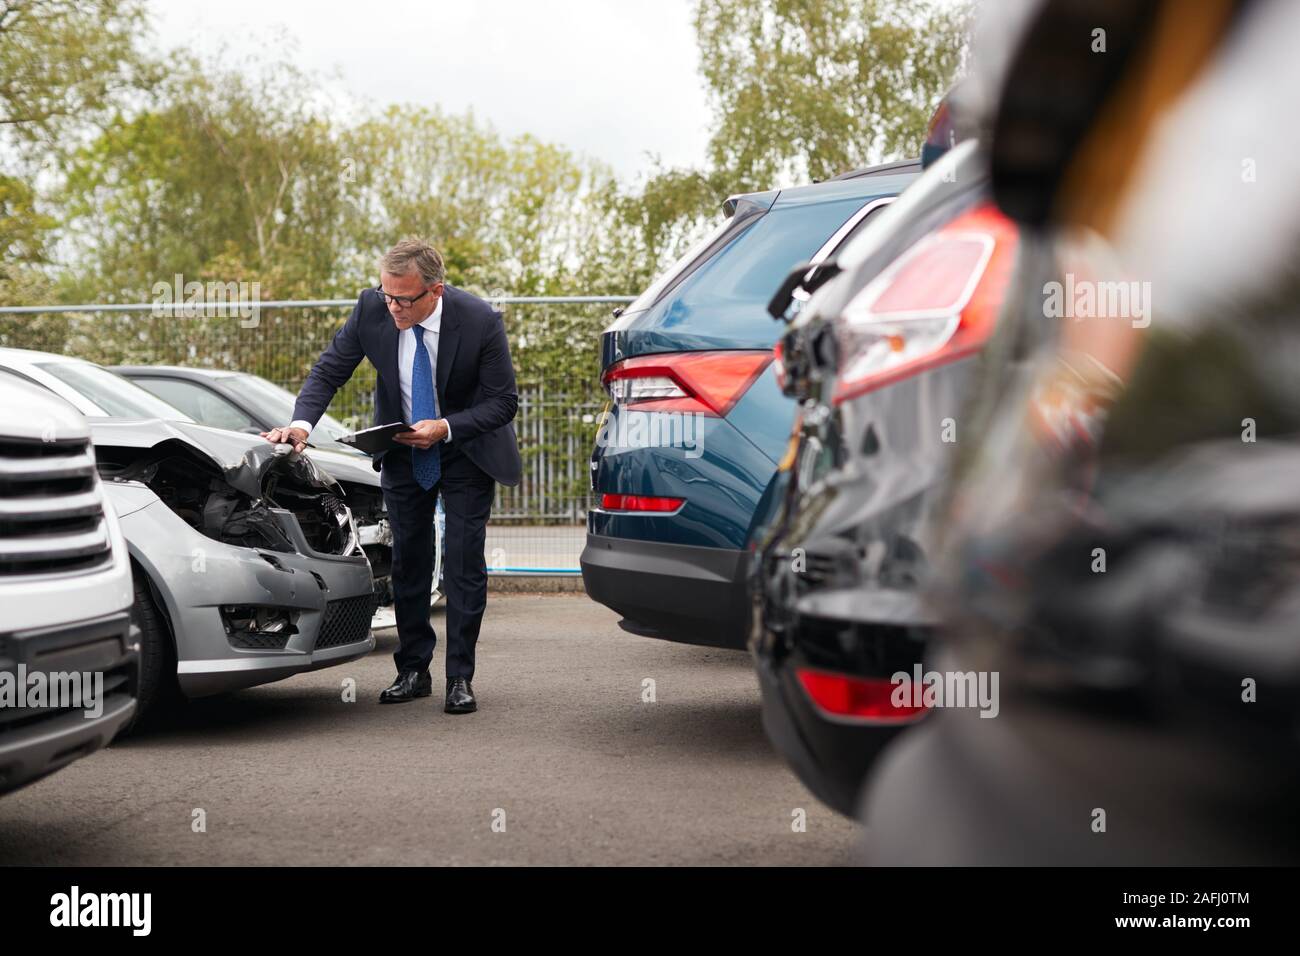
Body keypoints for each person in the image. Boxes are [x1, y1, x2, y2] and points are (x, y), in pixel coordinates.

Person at [264, 238, 521, 713]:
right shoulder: (371, 308)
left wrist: (445, 426)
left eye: (404, 299)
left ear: (435, 291)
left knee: (464, 565)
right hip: (402, 451)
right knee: (409, 561)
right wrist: (301, 424)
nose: (394, 307)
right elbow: (329, 371)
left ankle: (459, 678)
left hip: (465, 452)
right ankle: (412, 670)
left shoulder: (481, 320)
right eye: (387, 295)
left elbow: (503, 402)